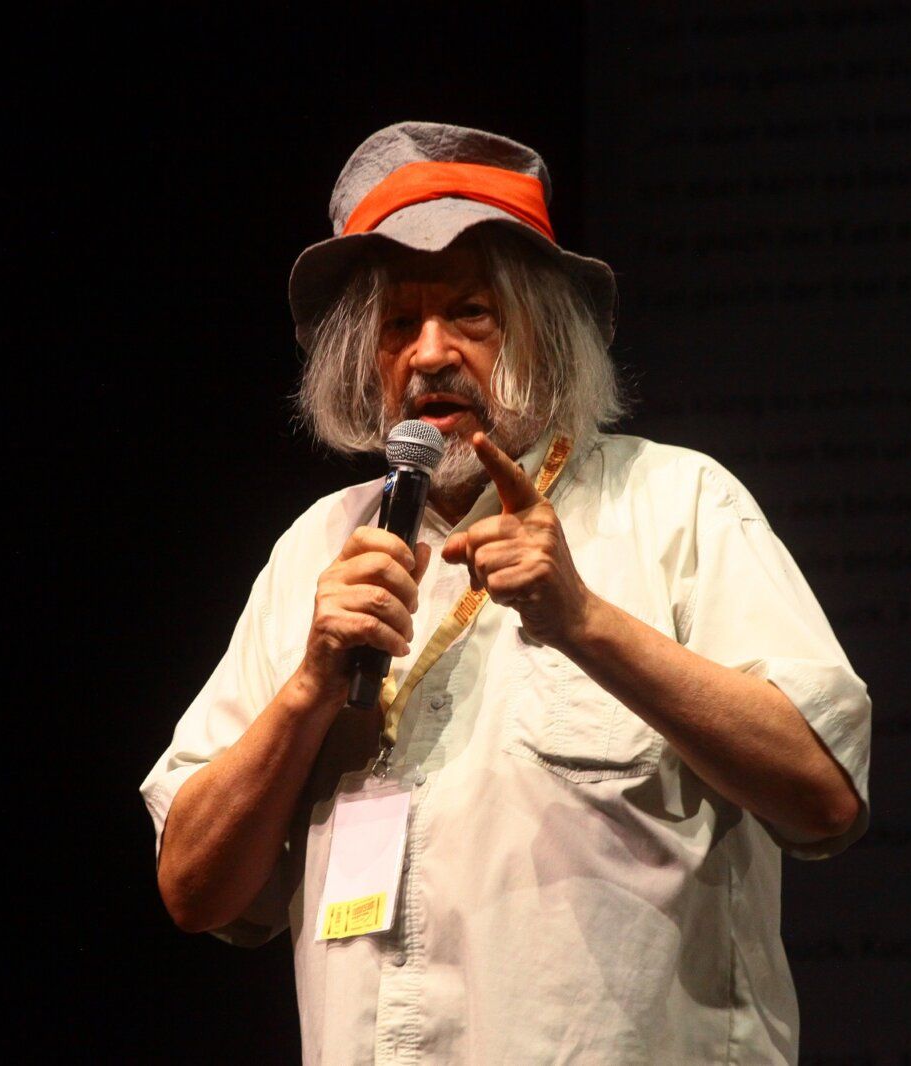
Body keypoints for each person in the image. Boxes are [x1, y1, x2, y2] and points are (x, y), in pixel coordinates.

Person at [141, 121, 871, 1064]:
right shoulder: (315, 550)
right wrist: (310, 688)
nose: (429, 354)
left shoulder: (677, 502)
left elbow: (823, 798)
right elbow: (194, 889)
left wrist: (584, 620)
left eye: (471, 314)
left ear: (546, 335)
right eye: (398, 325)